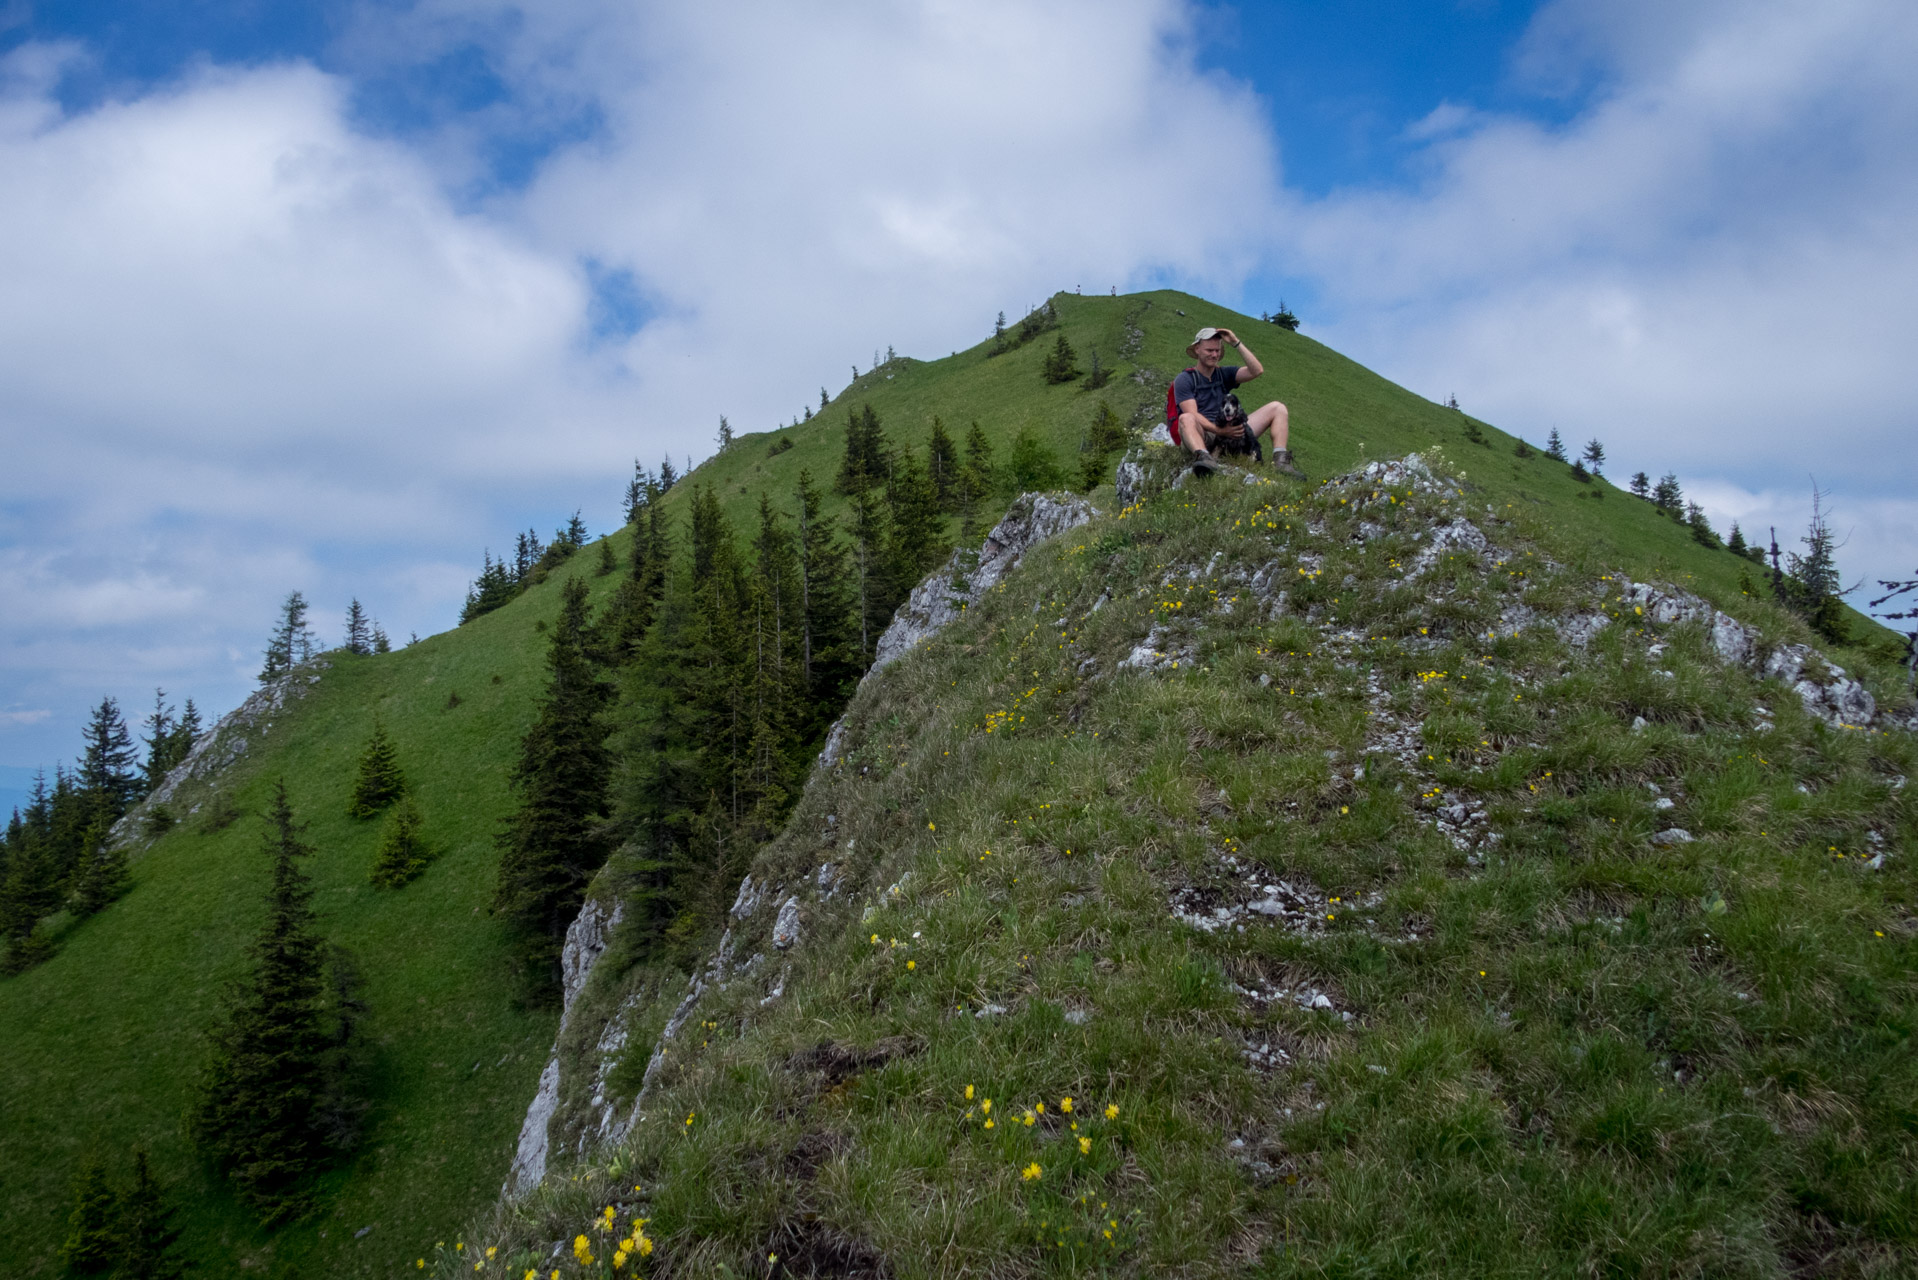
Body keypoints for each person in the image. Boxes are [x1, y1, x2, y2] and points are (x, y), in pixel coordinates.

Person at [1169, 327, 1303, 479]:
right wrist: (1220, 431)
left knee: (1278, 408)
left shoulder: (1224, 374)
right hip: (1203, 435)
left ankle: (1281, 462)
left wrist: (1235, 342)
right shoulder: (1185, 379)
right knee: (1186, 418)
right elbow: (1192, 414)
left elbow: (1256, 370)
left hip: (1230, 430)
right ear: (1197, 349)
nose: (1214, 355)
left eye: (1217, 350)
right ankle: (1205, 458)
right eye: (1209, 350)